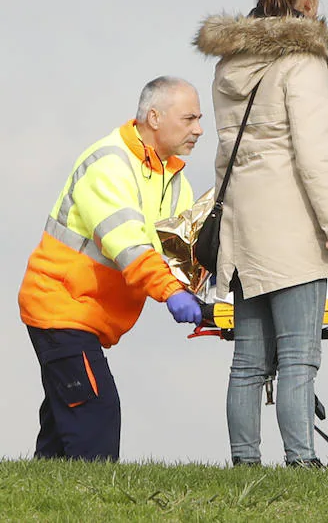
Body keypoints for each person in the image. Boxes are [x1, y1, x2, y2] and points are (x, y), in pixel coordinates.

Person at [194, 0, 328, 467]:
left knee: (247, 363)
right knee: (299, 358)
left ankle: (244, 461)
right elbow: (314, 156)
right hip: (291, 227)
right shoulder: (301, 62)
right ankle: (302, 463)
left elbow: (226, 154)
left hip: (243, 224)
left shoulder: (229, 64)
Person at [18, 77, 204, 460]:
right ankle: (93, 504)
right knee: (96, 416)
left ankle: (42, 503)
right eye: (189, 119)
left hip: (84, 315)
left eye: (199, 119)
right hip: (61, 308)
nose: (199, 129)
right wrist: (170, 293)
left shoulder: (177, 181)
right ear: (154, 116)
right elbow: (128, 247)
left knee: (62, 430)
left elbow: (180, 256)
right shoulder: (109, 163)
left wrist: (206, 291)